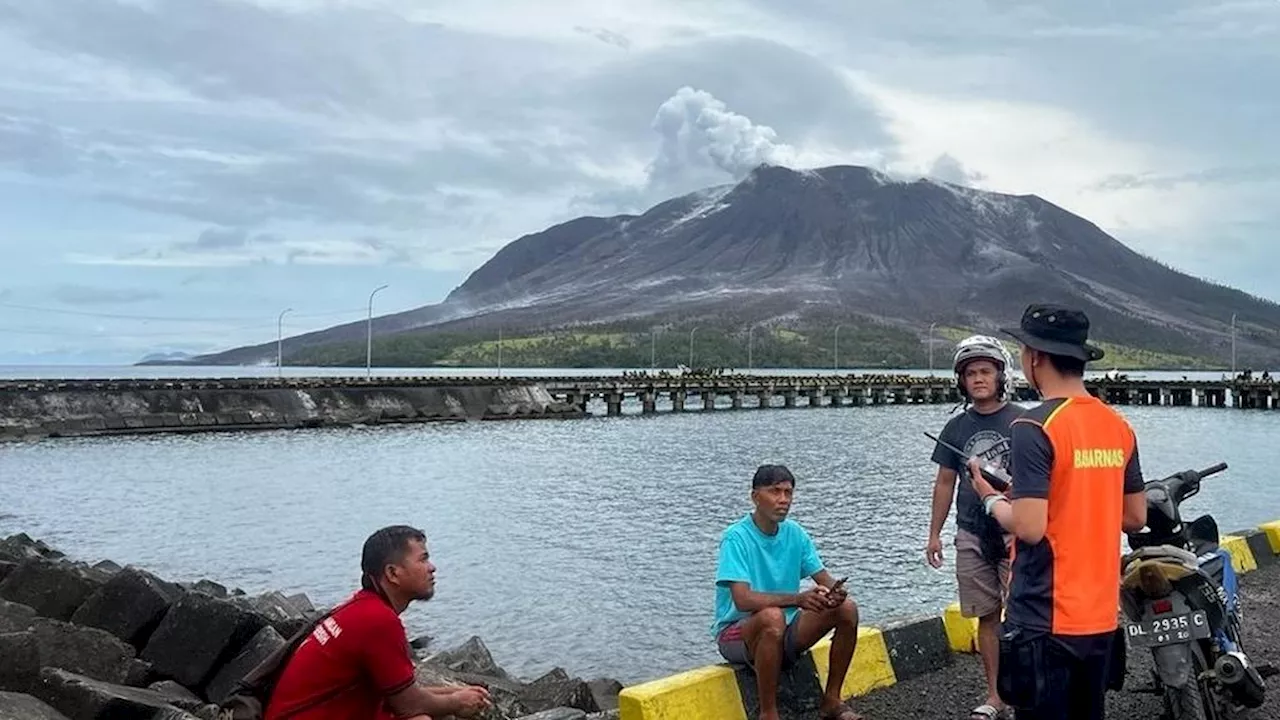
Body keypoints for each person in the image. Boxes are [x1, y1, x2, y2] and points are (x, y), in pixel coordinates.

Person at [968, 304, 1147, 720]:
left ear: (1035, 358)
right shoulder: (1117, 425)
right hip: (1101, 616)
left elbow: (1029, 528)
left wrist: (991, 499)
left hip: (1045, 617)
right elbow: (1135, 516)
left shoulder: (1034, 426)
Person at [264, 525, 494, 720]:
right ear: (393, 573)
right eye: (423, 559)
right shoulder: (378, 621)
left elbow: (399, 692)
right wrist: (456, 702)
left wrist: (452, 692)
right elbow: (409, 705)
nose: (432, 567)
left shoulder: (359, 607)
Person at [713, 464, 865, 720]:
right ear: (755, 497)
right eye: (775, 492)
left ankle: (832, 700)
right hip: (737, 633)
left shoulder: (795, 533)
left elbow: (824, 579)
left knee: (847, 609)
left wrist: (835, 593)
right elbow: (742, 600)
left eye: (788, 493)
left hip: (784, 627)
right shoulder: (736, 538)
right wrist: (797, 599)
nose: (783, 500)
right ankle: (768, 713)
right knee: (772, 617)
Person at [925, 335, 1022, 720]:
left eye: (985, 371)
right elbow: (944, 483)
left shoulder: (1023, 420)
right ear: (960, 381)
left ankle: (1026, 690)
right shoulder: (955, 427)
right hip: (970, 532)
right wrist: (934, 533)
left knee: (1023, 613)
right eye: (970, 374)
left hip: (1015, 530)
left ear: (1001, 376)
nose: (978, 379)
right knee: (987, 615)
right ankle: (996, 695)